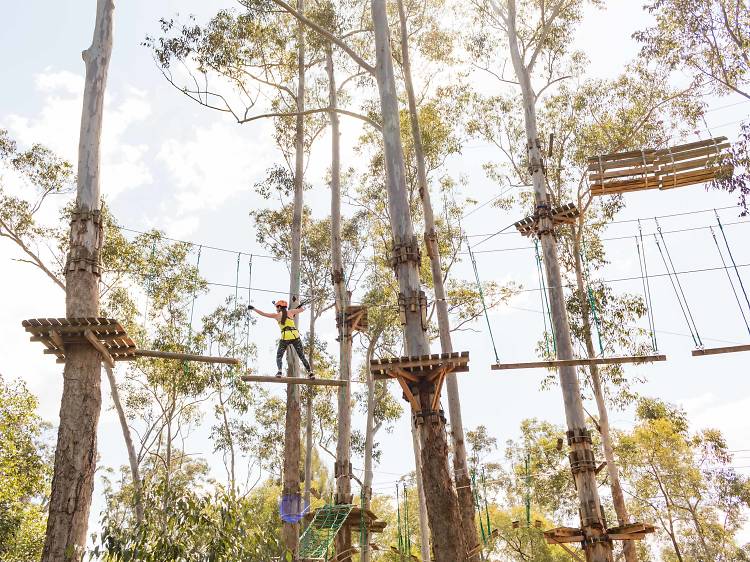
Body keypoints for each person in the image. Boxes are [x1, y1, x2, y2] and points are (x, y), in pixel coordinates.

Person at [248, 297, 314, 378]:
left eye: (276, 307)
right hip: (295, 336)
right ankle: (310, 373)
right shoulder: (291, 312)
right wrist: (296, 302)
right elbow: (302, 309)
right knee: (301, 356)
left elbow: (263, 314)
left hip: (285, 338)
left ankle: (279, 371)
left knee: (279, 356)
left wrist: (253, 308)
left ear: (279, 307)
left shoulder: (276, 315)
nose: (276, 309)